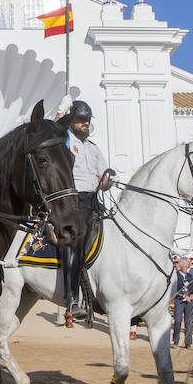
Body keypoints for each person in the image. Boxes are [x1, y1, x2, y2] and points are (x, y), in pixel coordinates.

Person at [57, 99, 112, 328]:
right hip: (74, 199)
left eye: (87, 120)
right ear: (72, 120)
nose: (85, 123)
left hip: (93, 199)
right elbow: (54, 129)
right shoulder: (65, 141)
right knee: (77, 241)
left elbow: (104, 178)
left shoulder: (94, 148)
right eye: (81, 119)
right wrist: (62, 112)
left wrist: (106, 180)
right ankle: (71, 297)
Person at [171, 256, 193, 348]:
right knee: (178, 321)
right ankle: (175, 341)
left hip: (189, 302)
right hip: (179, 301)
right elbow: (175, 289)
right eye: (185, 266)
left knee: (188, 322)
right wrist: (184, 296)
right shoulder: (176, 276)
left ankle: (188, 343)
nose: (186, 268)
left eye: (187, 266)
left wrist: (192, 296)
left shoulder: (189, 276)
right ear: (180, 266)